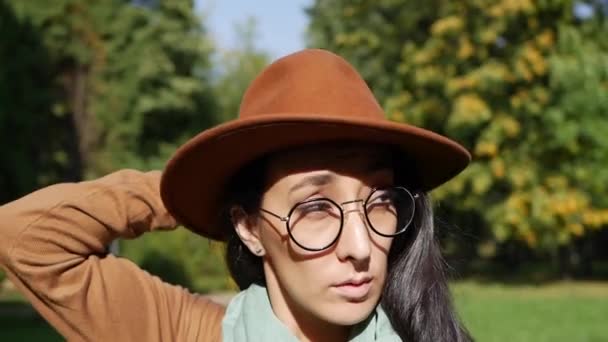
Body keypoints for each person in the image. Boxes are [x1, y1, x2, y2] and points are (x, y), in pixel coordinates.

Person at [0, 49, 473, 341]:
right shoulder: (182, 333)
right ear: (249, 228)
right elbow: (23, 235)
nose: (361, 248)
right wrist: (189, 189)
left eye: (380, 201)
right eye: (314, 207)